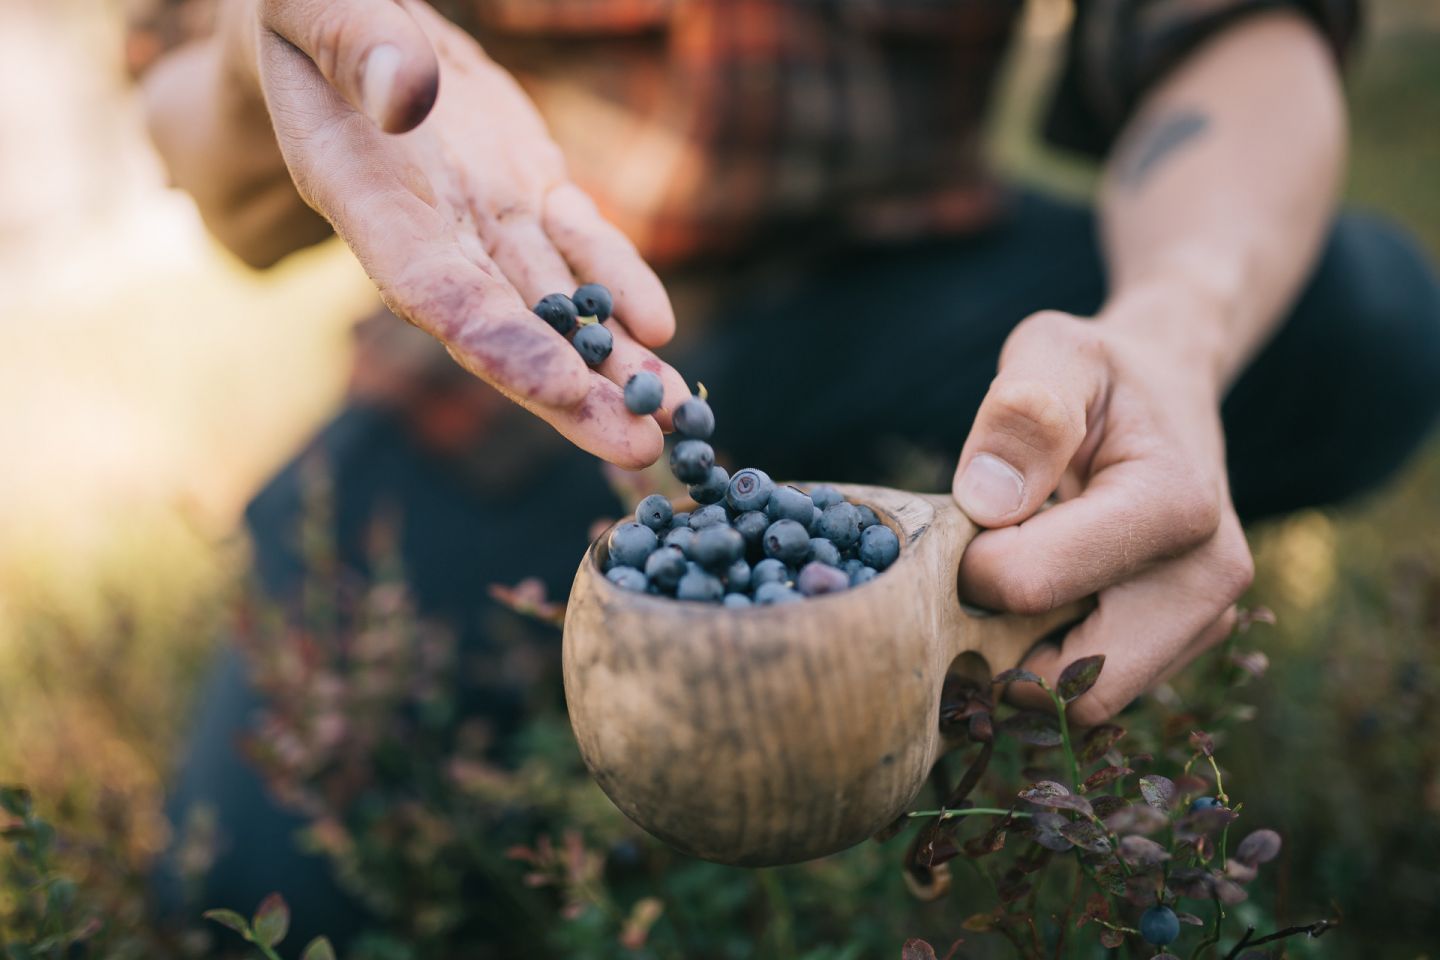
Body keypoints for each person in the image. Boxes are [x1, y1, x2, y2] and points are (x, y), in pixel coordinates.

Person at [130, 0, 1440, 945]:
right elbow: (197, 135)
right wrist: (272, 52)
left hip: (920, 303)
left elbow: (1234, 31)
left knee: (1363, 315)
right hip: (521, 372)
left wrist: (1175, 325)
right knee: (253, 885)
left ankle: (937, 585)